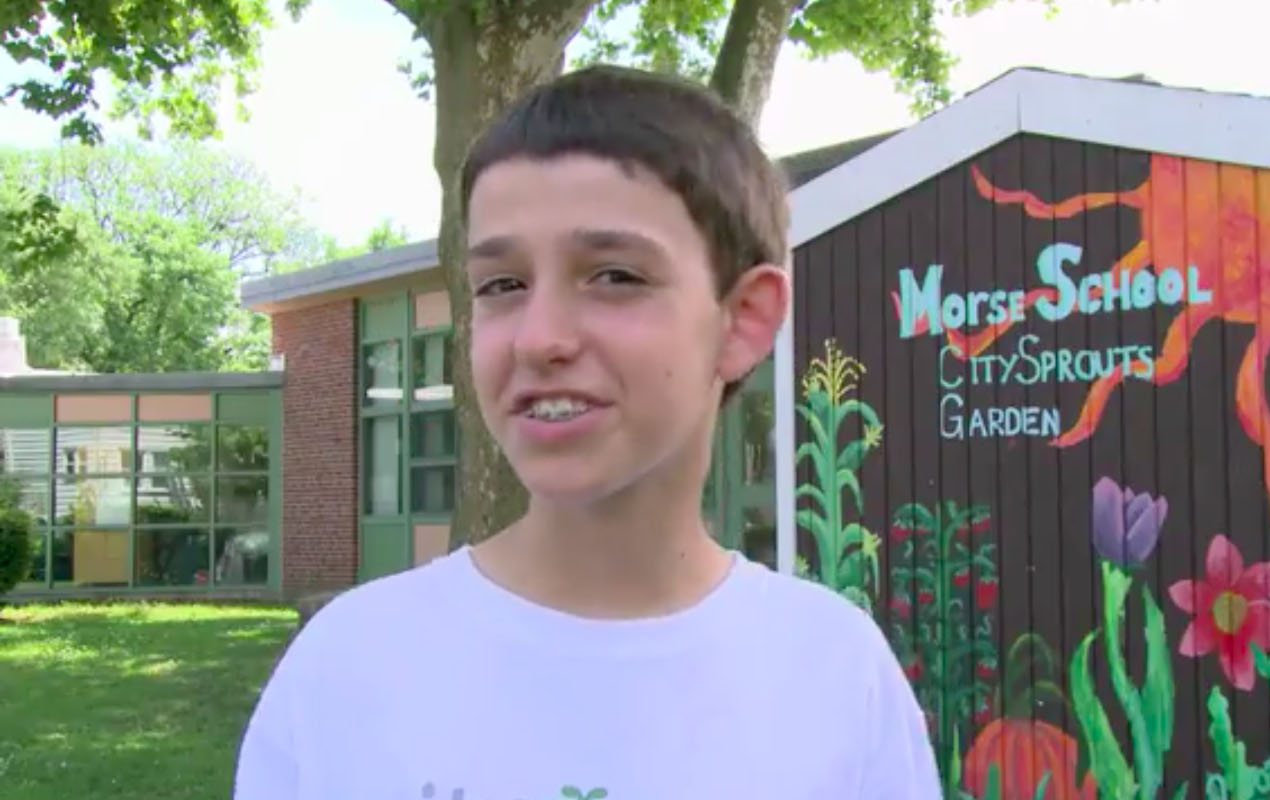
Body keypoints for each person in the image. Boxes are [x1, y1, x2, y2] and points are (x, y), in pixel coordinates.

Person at [233, 64, 941, 800]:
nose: (538, 339)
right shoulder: (347, 670)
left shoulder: (833, 671)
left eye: (613, 276)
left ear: (743, 319)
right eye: (502, 285)